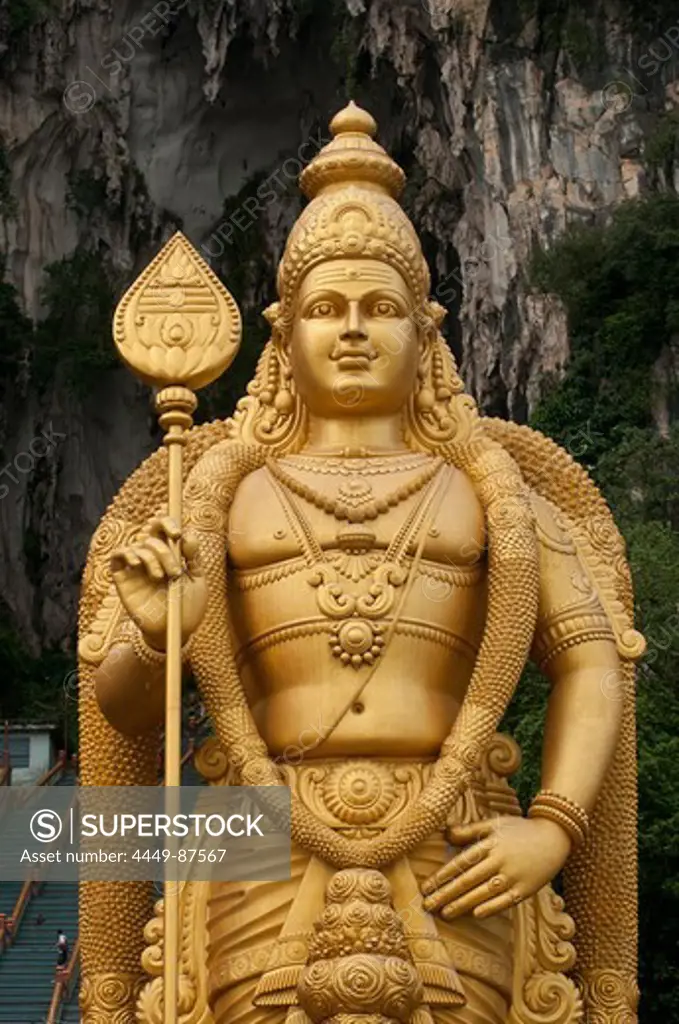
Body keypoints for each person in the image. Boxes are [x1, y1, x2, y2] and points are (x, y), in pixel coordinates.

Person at [79, 102, 644, 1024]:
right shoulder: (212, 498)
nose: (351, 330)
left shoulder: (494, 494)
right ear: (284, 334)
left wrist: (552, 826)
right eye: (325, 309)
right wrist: (155, 632)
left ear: (425, 332)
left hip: (458, 837)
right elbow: (125, 711)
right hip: (254, 846)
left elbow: (589, 659)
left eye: (380, 308)